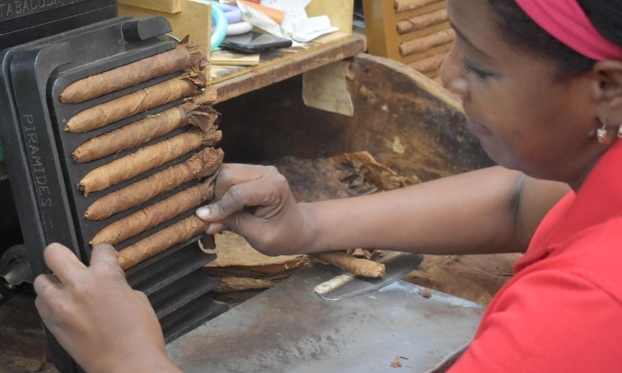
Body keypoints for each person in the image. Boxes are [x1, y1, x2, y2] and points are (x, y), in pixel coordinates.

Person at [33, 0, 622, 372]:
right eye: (455, 42)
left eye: (482, 66)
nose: (447, 76)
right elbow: (521, 201)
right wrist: (308, 225)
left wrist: (127, 359)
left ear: (606, 87)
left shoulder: (580, 313)